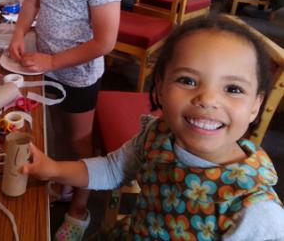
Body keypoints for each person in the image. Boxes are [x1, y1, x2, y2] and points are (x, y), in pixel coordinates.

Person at [22, 15, 284, 240]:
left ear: (255, 105)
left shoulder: (257, 213)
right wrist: (52, 168)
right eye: (188, 80)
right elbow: (113, 169)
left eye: (233, 89)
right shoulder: (158, 135)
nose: (207, 100)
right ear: (159, 86)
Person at [9, 0, 122, 240]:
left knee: (80, 141)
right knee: (55, 128)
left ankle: (80, 208)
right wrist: (18, 33)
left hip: (78, 74)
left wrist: (53, 60)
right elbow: (32, 1)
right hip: (49, 66)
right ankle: (65, 180)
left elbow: (105, 41)